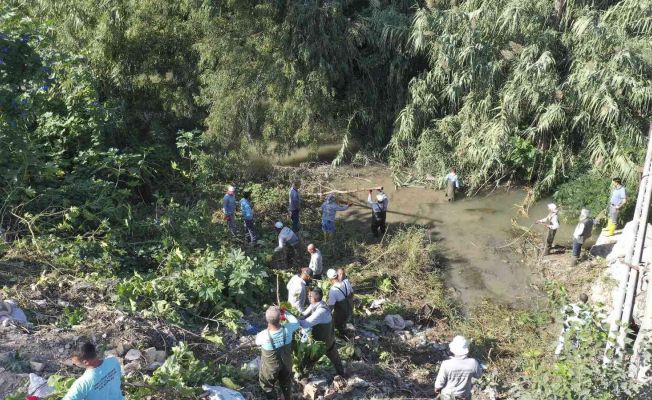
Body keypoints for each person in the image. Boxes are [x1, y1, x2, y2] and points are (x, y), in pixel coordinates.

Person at [256, 306, 301, 400]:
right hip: (286, 364)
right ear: (280, 318)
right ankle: (287, 397)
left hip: (270, 368)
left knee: (267, 385)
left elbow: (257, 343)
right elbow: (296, 322)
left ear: (267, 320)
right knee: (285, 382)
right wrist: (285, 312)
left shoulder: (262, 335)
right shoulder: (288, 329)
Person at [299, 288, 345, 377]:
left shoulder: (321, 311)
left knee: (310, 361)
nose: (308, 297)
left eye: (310, 296)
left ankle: (303, 378)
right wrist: (295, 316)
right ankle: (342, 374)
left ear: (316, 297)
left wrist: (295, 321)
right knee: (336, 359)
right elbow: (304, 315)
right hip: (328, 340)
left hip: (321, 344)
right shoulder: (317, 304)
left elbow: (305, 324)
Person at [434, 336, 482, 400]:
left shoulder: (446, 364)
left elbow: (439, 383)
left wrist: (437, 389)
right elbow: (478, 375)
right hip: (464, 395)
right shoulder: (473, 363)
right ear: (467, 349)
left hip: (448, 396)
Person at [326, 269, 353, 337]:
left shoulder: (333, 290)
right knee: (347, 320)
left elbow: (331, 306)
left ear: (330, 279)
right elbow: (352, 294)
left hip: (341, 313)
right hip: (349, 308)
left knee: (339, 325)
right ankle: (348, 329)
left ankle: (343, 335)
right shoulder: (346, 282)